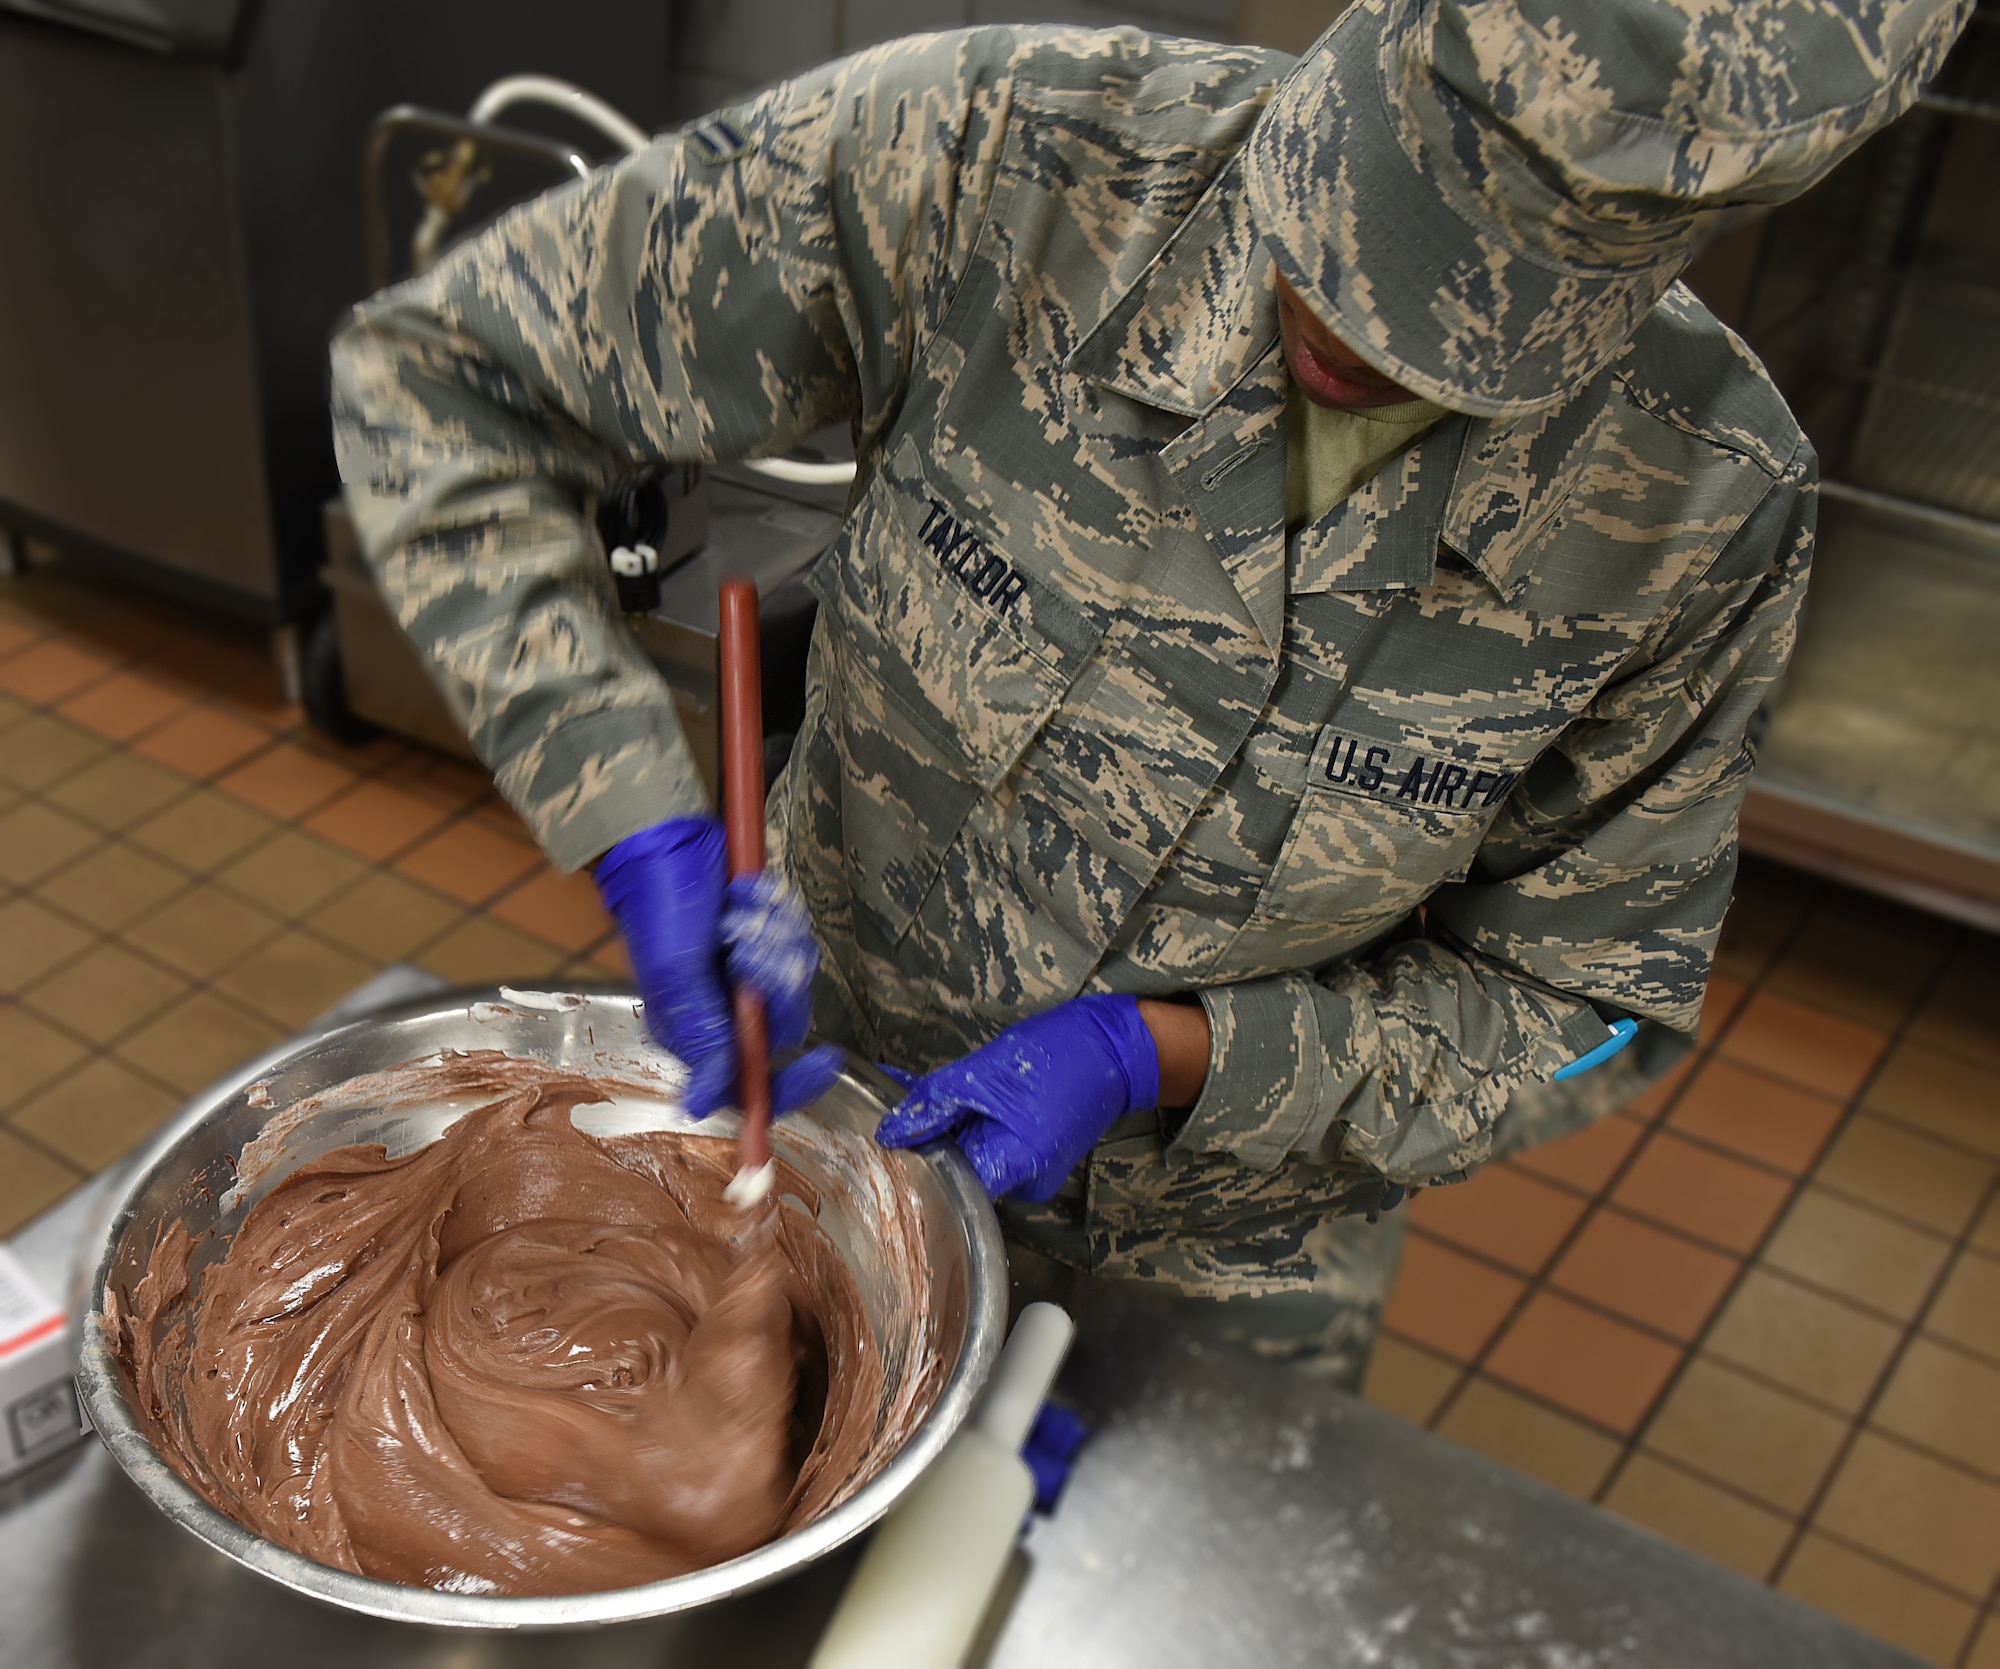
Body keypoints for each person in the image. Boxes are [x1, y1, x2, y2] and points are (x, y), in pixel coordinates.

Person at [332, 0, 1969, 1384]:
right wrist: (632, 816)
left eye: (1449, 350)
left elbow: (1588, 1017)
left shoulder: (1696, 507)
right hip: (808, 1146)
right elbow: (439, 383)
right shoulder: (991, 162)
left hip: (1221, 1297)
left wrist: (1173, 1057)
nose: (1346, 334)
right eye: (1338, 240)